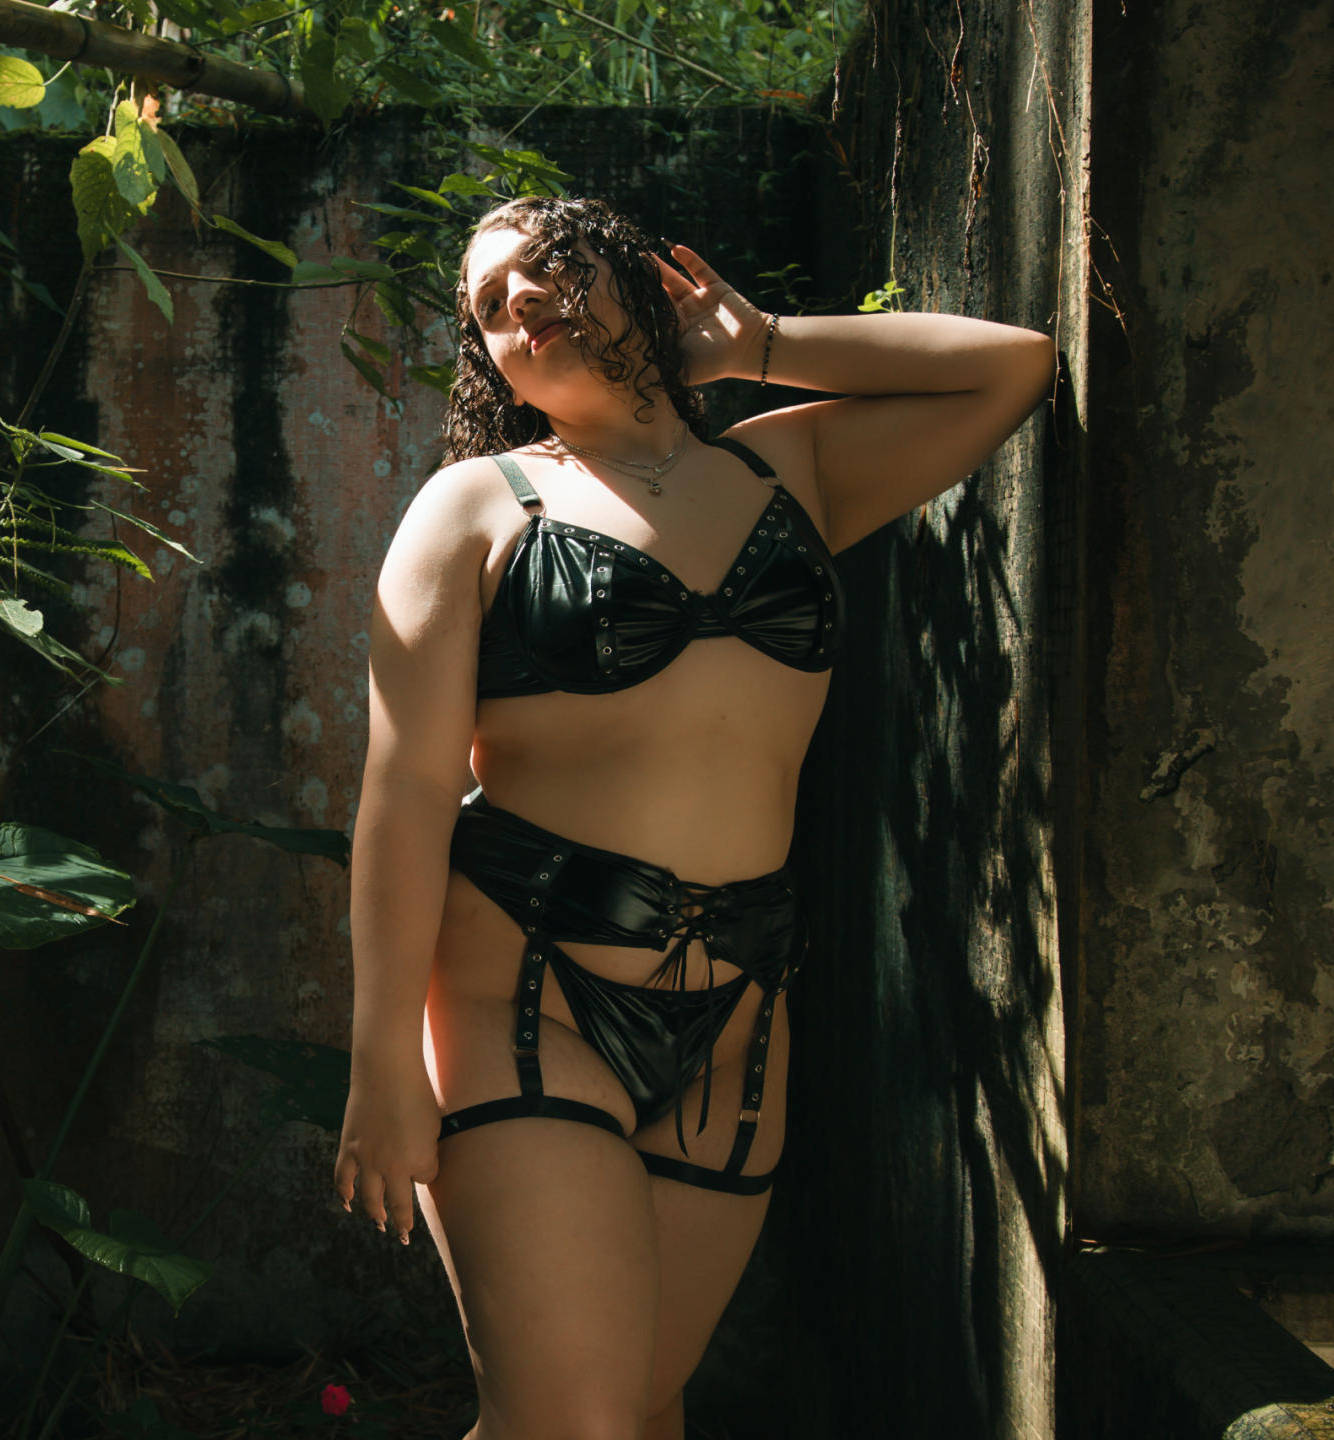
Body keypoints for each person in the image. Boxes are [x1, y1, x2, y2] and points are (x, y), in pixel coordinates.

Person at [332, 195, 1055, 1440]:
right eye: (489, 306)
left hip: (738, 1024)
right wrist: (383, 1061)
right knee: (578, 1421)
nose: (518, 301)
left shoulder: (791, 473)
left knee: (639, 1412)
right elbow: (403, 796)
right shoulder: (476, 508)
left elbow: (1011, 369)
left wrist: (761, 344)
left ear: (635, 274)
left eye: (544, 264)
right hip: (528, 999)